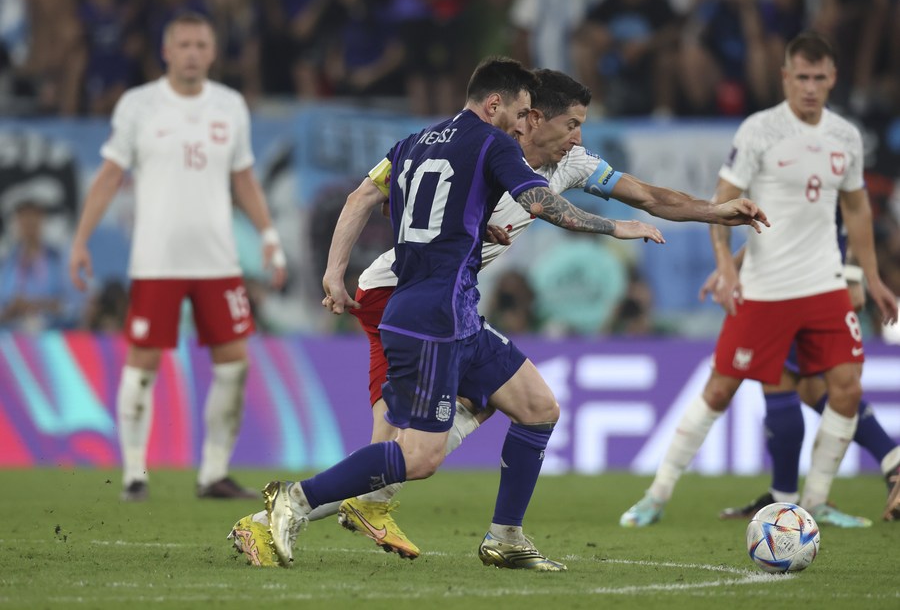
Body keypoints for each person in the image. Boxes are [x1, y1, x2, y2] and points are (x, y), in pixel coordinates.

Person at [228, 65, 769, 568]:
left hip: (455, 303)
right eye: (569, 124)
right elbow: (380, 196)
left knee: (535, 407)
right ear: (530, 117)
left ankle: (504, 536)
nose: (578, 137)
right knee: (407, 454)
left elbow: (648, 195)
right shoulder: (490, 147)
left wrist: (714, 210)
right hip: (402, 294)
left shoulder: (547, 160)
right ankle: (290, 504)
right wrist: (611, 227)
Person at [619, 32, 899, 530]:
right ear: (785, 77)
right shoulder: (760, 131)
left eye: (820, 77)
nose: (810, 87)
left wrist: (872, 278)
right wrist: (727, 267)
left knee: (847, 388)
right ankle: (656, 494)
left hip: (826, 284)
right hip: (768, 288)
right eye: (802, 77)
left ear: (832, 78)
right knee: (720, 389)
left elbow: (855, 207)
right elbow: (720, 204)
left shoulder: (846, 137)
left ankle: (813, 502)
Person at [68, 12, 286, 502]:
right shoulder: (138, 105)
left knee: (235, 363)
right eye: (183, 44)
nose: (191, 52)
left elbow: (244, 178)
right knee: (142, 363)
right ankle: (134, 474)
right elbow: (108, 176)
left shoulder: (230, 106)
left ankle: (213, 474)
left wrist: (269, 235)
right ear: (166, 51)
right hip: (157, 260)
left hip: (218, 260)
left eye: (200, 44)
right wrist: (81, 239)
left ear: (212, 52)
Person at [707, 226, 900, 524]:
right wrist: (732, 264)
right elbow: (780, 224)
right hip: (801, 280)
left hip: (804, 287)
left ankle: (790, 497)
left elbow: (850, 212)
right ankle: (890, 461)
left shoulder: (821, 182)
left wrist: (854, 277)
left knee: (800, 380)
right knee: (811, 387)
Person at [0, 197, 69, 331]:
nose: (29, 223)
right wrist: (12, 309)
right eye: (24, 219)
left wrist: (41, 304)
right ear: (17, 223)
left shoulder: (58, 259)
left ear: (42, 221)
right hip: (10, 335)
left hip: (51, 333)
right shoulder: (6, 262)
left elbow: (72, 306)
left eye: (34, 218)